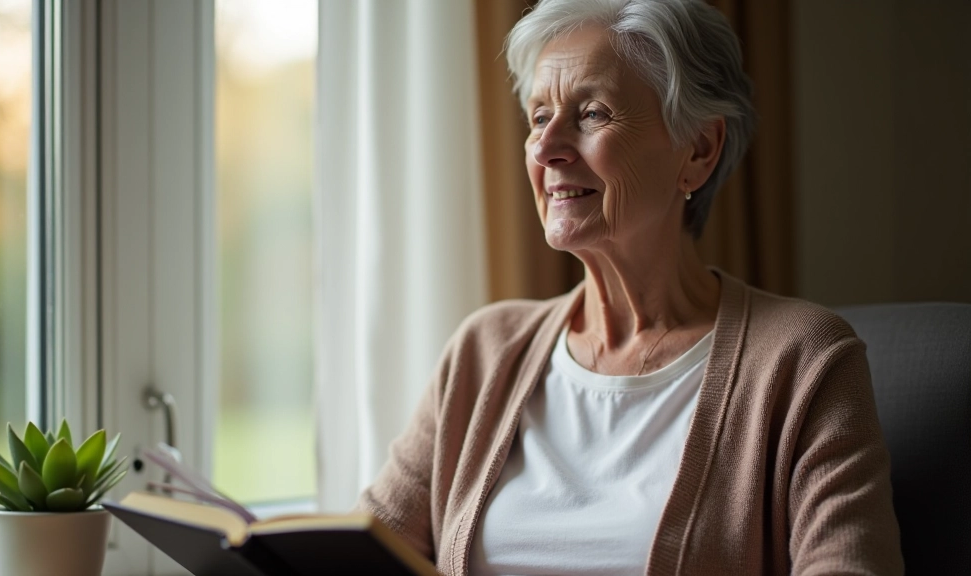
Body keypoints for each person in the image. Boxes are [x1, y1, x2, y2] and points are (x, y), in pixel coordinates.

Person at [358, 0, 904, 574]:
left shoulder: (803, 360)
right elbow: (364, 550)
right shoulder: (485, 350)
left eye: (592, 113)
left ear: (697, 151)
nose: (546, 149)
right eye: (540, 117)